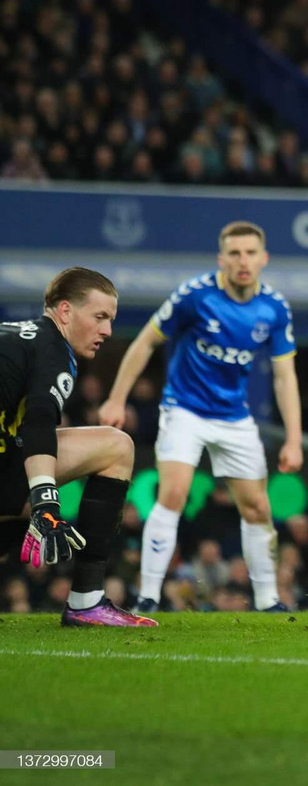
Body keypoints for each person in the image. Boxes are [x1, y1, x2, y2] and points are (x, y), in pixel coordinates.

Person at [100, 221, 302, 612]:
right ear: (221, 259)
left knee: (258, 508)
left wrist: (294, 438)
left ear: (264, 259)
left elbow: (284, 375)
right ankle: (149, 597)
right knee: (173, 493)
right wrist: (116, 398)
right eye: (235, 253)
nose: (243, 261)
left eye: (250, 253)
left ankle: (268, 601)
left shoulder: (274, 308)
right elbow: (145, 342)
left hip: (234, 417)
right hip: (184, 409)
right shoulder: (195, 296)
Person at [0, 268, 153, 626]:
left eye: (111, 320)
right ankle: (86, 601)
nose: (107, 331)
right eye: (99, 317)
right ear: (66, 312)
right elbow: (39, 422)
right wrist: (46, 503)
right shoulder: (53, 349)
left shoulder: (18, 338)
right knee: (116, 447)